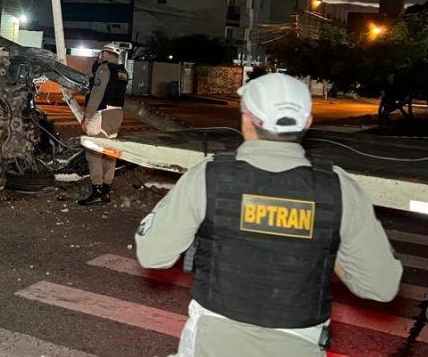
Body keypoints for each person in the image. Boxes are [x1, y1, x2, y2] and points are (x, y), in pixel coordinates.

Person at [133, 73, 402, 357]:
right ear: (308, 122)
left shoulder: (209, 176)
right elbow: (381, 286)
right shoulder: (339, 188)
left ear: (247, 119)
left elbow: (153, 255)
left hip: (213, 341)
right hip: (300, 344)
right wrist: (324, 246)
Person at [78, 43, 129, 206]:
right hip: (117, 114)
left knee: (93, 153)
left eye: (101, 53)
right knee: (110, 153)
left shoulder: (104, 69)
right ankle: (106, 190)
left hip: (103, 114)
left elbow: (97, 93)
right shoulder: (122, 71)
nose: (100, 56)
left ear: (106, 53)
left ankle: (97, 190)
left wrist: (87, 116)